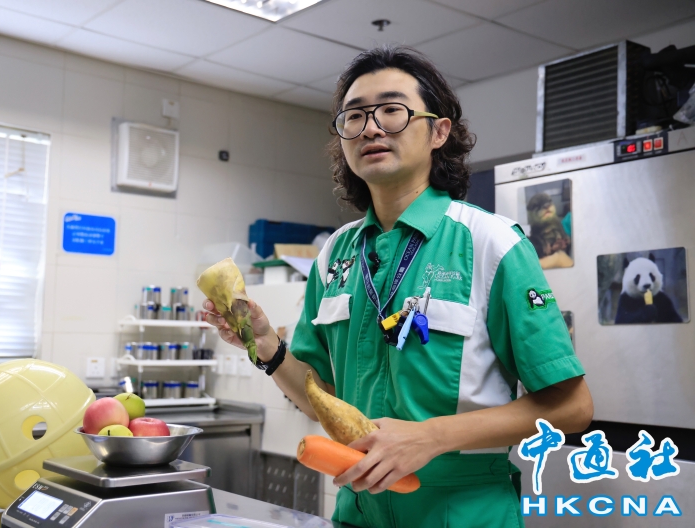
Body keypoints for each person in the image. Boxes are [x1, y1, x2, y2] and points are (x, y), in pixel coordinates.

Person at [204, 46, 593, 528]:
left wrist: (430, 437)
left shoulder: (491, 243)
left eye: (392, 110)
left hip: (461, 514)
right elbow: (322, 399)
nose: (370, 128)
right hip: (358, 512)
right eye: (354, 116)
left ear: (439, 131)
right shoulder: (336, 255)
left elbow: (572, 408)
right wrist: (266, 345)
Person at [525, 192, 573, 269]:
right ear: (529, 212)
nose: (546, 206)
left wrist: (566, 239)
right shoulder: (534, 234)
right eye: (537, 205)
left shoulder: (558, 222)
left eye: (549, 201)